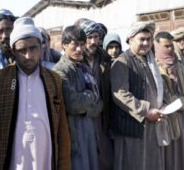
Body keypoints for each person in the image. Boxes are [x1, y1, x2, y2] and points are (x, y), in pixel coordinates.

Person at [0, 17, 71, 170]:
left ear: (41, 48)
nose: (28, 56)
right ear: (13, 51)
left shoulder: (54, 80)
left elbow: (62, 130)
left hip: (45, 161)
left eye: (33, 48)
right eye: (22, 50)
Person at [110, 22, 165, 170]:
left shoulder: (149, 60)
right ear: (130, 39)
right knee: (133, 163)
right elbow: (120, 94)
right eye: (142, 39)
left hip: (151, 123)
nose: (146, 43)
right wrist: (146, 111)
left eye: (149, 39)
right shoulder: (122, 62)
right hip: (133, 125)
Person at [53, 25, 103, 170]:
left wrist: (87, 105)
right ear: (64, 45)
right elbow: (73, 104)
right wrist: (90, 96)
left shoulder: (83, 68)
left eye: (82, 45)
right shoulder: (60, 70)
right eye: (75, 45)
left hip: (89, 131)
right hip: (74, 134)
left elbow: (99, 104)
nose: (79, 49)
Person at [154, 31, 184, 170]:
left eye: (171, 46)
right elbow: (166, 95)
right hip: (168, 120)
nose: (170, 49)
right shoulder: (154, 66)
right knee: (172, 157)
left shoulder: (178, 63)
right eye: (166, 46)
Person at [78, 19, 113, 170]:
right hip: (84, 118)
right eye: (89, 37)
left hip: (103, 117)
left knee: (105, 159)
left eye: (96, 37)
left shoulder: (105, 60)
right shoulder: (75, 61)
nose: (93, 41)